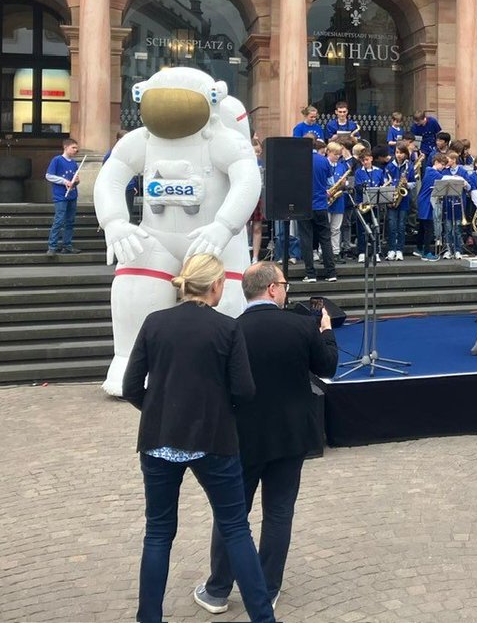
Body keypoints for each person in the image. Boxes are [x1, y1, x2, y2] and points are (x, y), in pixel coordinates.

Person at [120, 254, 276, 623]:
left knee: (158, 533)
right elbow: (245, 389)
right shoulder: (226, 328)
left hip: (159, 437)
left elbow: (131, 386)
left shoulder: (155, 323)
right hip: (213, 438)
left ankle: (149, 618)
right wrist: (221, 411)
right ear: (216, 285)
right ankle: (263, 618)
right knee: (235, 527)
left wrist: (158, 409)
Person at [193, 262, 338, 615]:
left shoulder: (230, 330)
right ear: (272, 289)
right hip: (290, 436)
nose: (287, 290)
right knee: (278, 513)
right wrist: (327, 331)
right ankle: (267, 587)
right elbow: (328, 366)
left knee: (232, 514)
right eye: (285, 284)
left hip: (241, 437)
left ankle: (217, 589)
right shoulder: (302, 326)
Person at [300, 144, 338, 284]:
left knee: (306, 239)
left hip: (304, 206)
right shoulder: (324, 160)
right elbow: (330, 181)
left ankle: (310, 274)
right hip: (321, 205)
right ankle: (331, 272)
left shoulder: (300, 160)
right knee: (325, 239)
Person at [45, 137, 82, 256]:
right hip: (60, 195)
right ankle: (52, 246)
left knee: (70, 221)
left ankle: (67, 245)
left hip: (72, 195)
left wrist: (76, 181)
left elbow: (75, 181)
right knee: (59, 220)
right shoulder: (57, 160)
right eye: (73, 147)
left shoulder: (74, 164)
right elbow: (49, 176)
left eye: (76, 148)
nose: (76, 150)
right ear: (66, 147)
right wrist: (64, 181)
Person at [352, 149, 385, 263]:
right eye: (362, 161)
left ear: (371, 158)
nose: (365, 162)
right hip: (362, 204)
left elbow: (382, 186)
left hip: (374, 205)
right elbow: (358, 187)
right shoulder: (359, 172)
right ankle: (362, 252)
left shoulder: (379, 171)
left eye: (366, 160)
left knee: (375, 229)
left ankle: (375, 252)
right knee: (361, 229)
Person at [384, 145, 414, 261]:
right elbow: (385, 181)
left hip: (404, 199)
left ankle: (400, 250)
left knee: (401, 226)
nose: (399, 155)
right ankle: (391, 249)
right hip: (392, 198)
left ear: (406, 154)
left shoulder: (409, 167)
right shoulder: (389, 166)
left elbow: (414, 183)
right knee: (391, 225)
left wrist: (407, 184)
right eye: (397, 152)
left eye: (401, 153)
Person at [416, 153, 444, 261]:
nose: (443, 167)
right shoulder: (433, 172)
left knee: (423, 228)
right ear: (436, 162)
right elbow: (445, 178)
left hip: (424, 201)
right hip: (426, 202)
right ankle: (426, 252)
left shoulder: (428, 170)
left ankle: (419, 248)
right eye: (442, 164)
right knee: (429, 228)